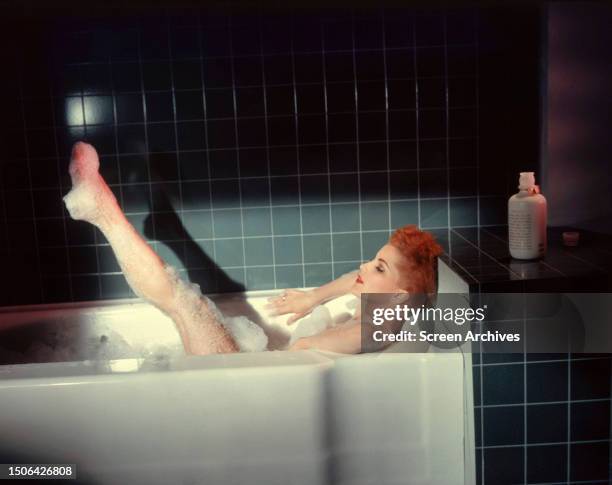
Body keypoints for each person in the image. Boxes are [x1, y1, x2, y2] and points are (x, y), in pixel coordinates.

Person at [63, 142, 443, 355]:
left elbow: (300, 357)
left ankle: (104, 215)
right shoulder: (387, 309)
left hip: (241, 384)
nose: (363, 266)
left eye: (378, 268)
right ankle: (161, 228)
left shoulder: (362, 334)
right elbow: (352, 279)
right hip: (257, 371)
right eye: (374, 259)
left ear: (399, 294)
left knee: (184, 303)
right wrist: (314, 297)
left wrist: (263, 353)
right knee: (190, 304)